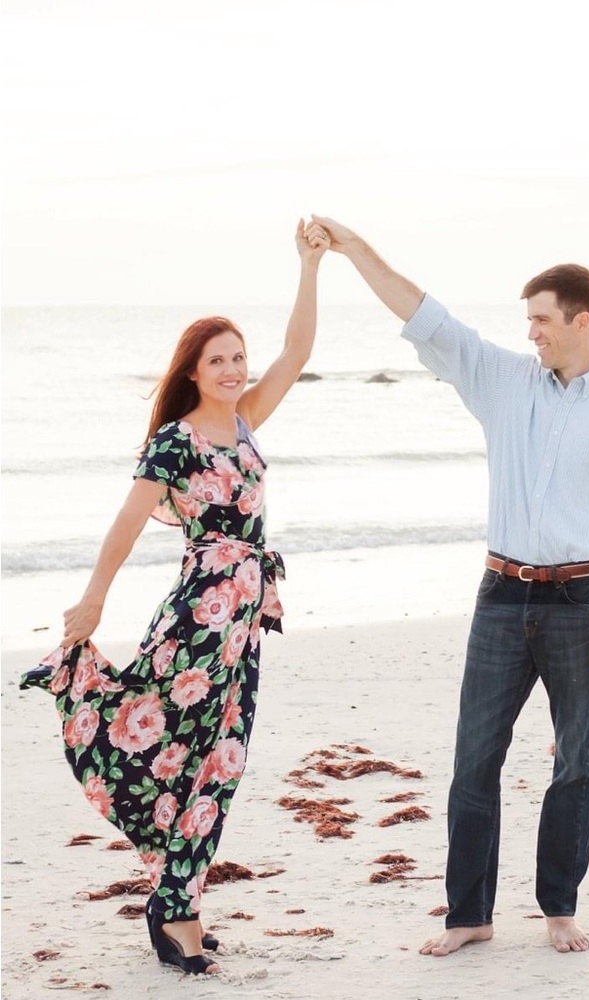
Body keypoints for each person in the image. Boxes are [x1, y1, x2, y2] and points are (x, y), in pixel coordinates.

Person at [310, 214, 589, 957]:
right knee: (474, 760)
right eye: (527, 321)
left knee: (577, 761)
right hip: (500, 598)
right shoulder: (501, 381)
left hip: (580, 605)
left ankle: (559, 909)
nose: (530, 332)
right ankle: (469, 914)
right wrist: (353, 250)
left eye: (540, 319)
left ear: (580, 320)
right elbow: (421, 310)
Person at [20, 219, 331, 975]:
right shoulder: (176, 442)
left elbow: (299, 353)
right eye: (217, 360)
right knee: (178, 753)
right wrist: (93, 602)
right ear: (191, 370)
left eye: (237, 359)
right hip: (198, 622)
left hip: (245, 624)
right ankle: (176, 908)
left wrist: (309, 267)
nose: (232, 369)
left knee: (219, 762)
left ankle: (175, 896)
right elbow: (128, 522)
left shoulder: (247, 419)